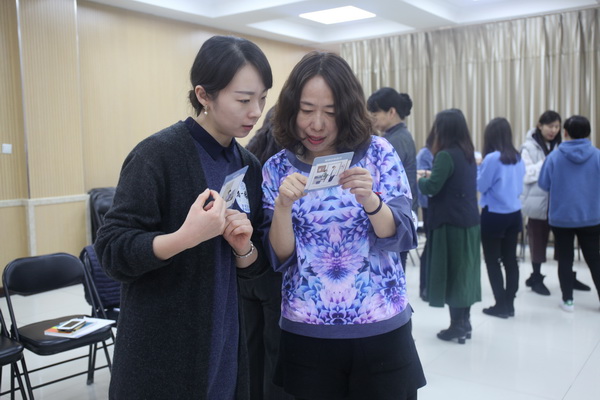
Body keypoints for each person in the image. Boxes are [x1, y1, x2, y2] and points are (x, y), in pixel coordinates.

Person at [94, 35, 272, 399]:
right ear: (204, 95)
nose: (256, 112)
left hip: (224, 343)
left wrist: (244, 249)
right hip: (163, 352)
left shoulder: (248, 165)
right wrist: (184, 238)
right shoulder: (156, 155)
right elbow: (112, 250)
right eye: (243, 100)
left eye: (262, 99)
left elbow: (253, 268)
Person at [261, 51, 425, 400]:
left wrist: (371, 201)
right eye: (307, 110)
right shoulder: (276, 169)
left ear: (348, 110)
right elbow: (280, 256)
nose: (317, 124)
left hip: (380, 325)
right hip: (307, 331)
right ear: (291, 109)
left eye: (331, 112)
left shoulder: (378, 153)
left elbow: (401, 234)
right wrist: (283, 207)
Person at [417, 108, 481, 344]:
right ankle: (465, 322)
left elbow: (432, 187)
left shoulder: (444, 155)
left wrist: (420, 180)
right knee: (465, 273)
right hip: (469, 221)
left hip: (450, 224)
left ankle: (457, 326)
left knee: (453, 274)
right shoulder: (468, 153)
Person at [241, 107, 292, 400]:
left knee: (250, 351)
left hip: (245, 268)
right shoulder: (284, 166)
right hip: (273, 272)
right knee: (276, 353)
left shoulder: (246, 158)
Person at [520, 111, 591, 295]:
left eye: (557, 126)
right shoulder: (528, 147)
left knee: (564, 245)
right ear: (540, 126)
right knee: (537, 241)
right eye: (550, 126)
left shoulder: (564, 145)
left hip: (562, 203)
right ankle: (536, 277)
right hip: (538, 201)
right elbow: (526, 174)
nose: (553, 130)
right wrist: (547, 163)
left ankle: (569, 277)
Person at [538, 115, 600, 312]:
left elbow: (543, 184)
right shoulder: (597, 156)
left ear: (565, 133)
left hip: (561, 218)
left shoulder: (554, 157)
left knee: (565, 258)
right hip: (592, 217)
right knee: (595, 259)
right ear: (588, 133)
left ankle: (568, 301)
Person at [477, 118, 525, 318]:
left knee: (492, 261)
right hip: (514, 214)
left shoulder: (491, 158)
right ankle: (510, 304)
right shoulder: (517, 156)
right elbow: (520, 187)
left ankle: (500, 305)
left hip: (494, 215)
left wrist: (478, 168)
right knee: (510, 260)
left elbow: (480, 186)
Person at [367, 88, 417, 270]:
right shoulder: (400, 136)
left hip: (395, 215)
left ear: (391, 112)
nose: (372, 119)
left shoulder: (391, 142)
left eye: (375, 114)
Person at [416, 130, 434, 301]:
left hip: (437, 205)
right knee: (430, 246)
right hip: (429, 205)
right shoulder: (425, 154)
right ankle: (425, 287)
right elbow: (421, 181)